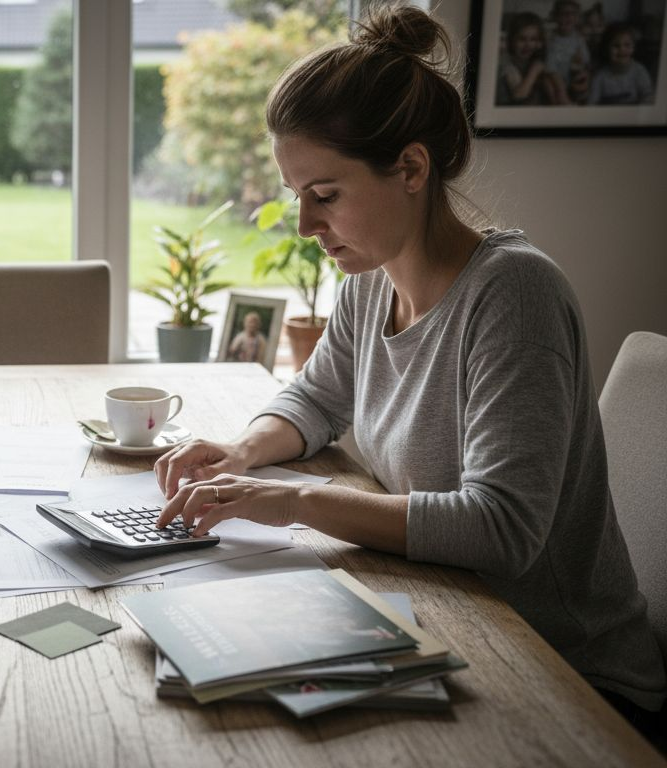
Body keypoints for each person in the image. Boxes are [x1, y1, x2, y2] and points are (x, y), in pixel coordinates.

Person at [153, 3, 664, 735]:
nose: (305, 226)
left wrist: (293, 501)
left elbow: (502, 527)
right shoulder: (372, 276)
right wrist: (244, 451)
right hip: (454, 617)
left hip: (573, 679)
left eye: (324, 196)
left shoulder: (515, 295)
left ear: (412, 168)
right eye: (297, 197)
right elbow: (320, 398)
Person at [496, 12, 564, 105]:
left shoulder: (537, 58)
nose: (528, 45)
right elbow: (519, 95)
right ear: (512, 40)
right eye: (522, 39)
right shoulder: (507, 65)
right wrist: (534, 71)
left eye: (533, 39)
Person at [588, 23, 655, 105]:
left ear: (633, 48)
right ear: (606, 49)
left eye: (627, 45)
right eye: (616, 46)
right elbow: (592, 103)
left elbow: (648, 97)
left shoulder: (640, 72)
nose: (622, 49)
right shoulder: (600, 77)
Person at [546, 0, 592, 103]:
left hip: (575, 77)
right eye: (563, 14)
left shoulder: (579, 38)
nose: (568, 17)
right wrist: (560, 86)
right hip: (557, 80)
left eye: (573, 14)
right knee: (549, 85)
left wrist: (582, 59)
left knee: (585, 80)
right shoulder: (551, 40)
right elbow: (550, 67)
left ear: (577, 18)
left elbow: (586, 60)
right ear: (555, 17)